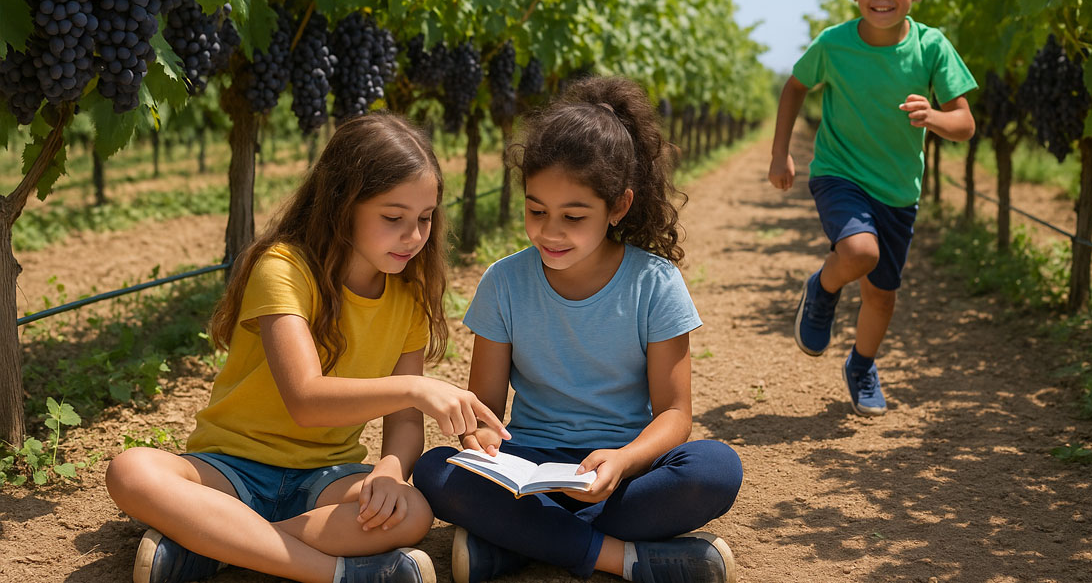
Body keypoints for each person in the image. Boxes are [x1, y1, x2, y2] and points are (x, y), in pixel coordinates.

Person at [106, 113, 509, 583]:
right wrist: (416, 387)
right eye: (394, 218)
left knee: (412, 511)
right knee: (130, 471)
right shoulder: (283, 269)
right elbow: (305, 399)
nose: (415, 236)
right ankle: (336, 573)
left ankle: (214, 544)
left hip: (324, 476)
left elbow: (402, 423)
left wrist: (391, 473)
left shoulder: (409, 294)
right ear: (342, 204)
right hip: (230, 468)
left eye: (425, 219)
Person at [413, 76, 743, 583]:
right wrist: (481, 441)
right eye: (536, 210)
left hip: (619, 472)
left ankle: (517, 543)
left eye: (573, 215)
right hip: (527, 469)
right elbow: (485, 412)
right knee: (436, 470)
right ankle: (622, 557)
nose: (550, 231)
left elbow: (675, 414)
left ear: (619, 206)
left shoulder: (655, 284)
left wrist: (623, 460)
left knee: (715, 470)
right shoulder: (505, 281)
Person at [768, 0, 977, 417]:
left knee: (881, 298)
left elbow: (964, 123)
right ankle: (822, 288)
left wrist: (934, 117)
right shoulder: (834, 44)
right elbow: (795, 86)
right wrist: (781, 153)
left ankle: (861, 366)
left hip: (899, 191)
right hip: (839, 172)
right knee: (860, 252)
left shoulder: (931, 47)